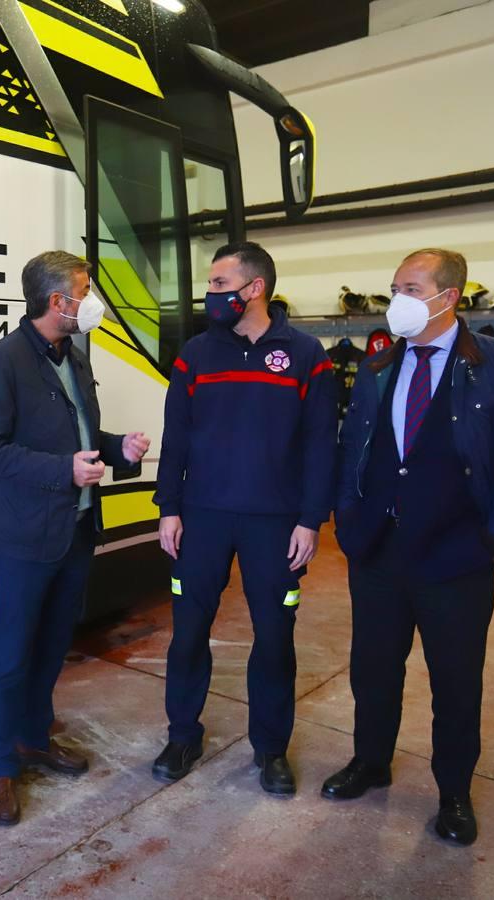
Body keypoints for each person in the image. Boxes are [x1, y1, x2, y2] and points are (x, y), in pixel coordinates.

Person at [323, 248, 494, 846]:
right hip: (378, 552)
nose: (395, 298)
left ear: (448, 297)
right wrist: (349, 522)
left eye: (409, 287)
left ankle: (453, 791)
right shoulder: (378, 367)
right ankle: (370, 762)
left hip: (457, 558)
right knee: (373, 671)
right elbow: (356, 449)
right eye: (393, 286)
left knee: (455, 681)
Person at [0, 250, 151, 826]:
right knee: (14, 652)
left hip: (73, 531)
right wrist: (62, 471)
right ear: (57, 302)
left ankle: (33, 740)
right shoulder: (3, 362)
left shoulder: (72, 356)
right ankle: (1, 767)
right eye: (85, 290)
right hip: (24, 534)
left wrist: (118, 448)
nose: (92, 301)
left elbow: (81, 432)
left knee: (51, 646)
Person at [152, 241, 337, 792]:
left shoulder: (307, 355)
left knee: (275, 638)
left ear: (253, 288)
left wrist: (310, 519)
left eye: (217, 284)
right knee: (187, 634)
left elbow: (322, 445)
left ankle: (271, 749)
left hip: (275, 525)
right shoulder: (195, 354)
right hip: (203, 519)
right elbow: (176, 437)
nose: (209, 294)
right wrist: (169, 508)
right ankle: (183, 733)